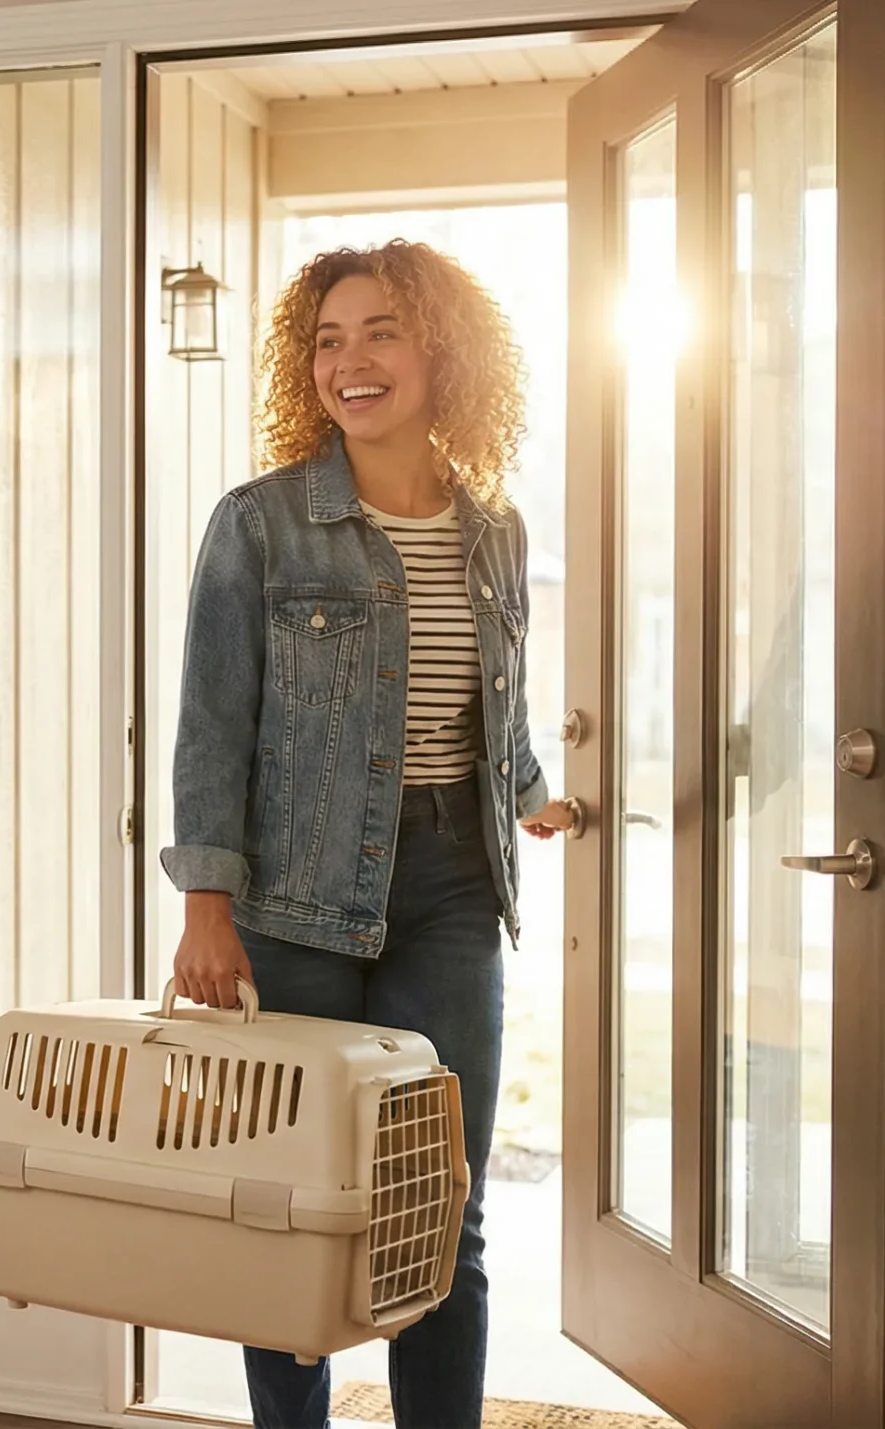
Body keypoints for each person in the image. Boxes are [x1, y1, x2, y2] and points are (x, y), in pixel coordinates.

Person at [161, 239, 572, 1429]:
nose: (352, 360)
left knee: (439, 1198)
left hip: (450, 881)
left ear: (441, 351)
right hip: (291, 894)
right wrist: (205, 910)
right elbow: (210, 727)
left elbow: (499, 704)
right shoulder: (260, 527)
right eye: (329, 340)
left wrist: (534, 796)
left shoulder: (493, 529)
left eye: (380, 331)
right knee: (288, 1201)